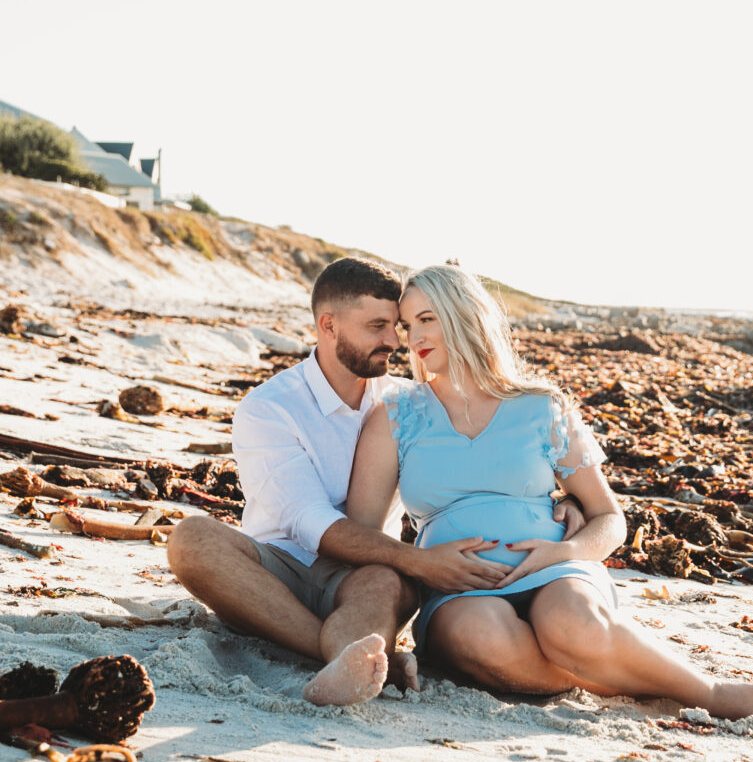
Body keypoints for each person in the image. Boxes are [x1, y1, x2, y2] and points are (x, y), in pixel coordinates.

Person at [341, 264, 753, 722]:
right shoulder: (395, 415)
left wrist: (566, 551)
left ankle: (706, 691)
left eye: (427, 319)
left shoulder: (540, 405)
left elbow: (609, 519)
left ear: (466, 316)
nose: (413, 337)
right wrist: (422, 565)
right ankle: (620, 675)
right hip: (460, 591)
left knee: (576, 628)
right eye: (407, 325)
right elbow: (361, 531)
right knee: (483, 640)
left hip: (554, 570)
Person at [168, 257, 582, 706]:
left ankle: (353, 659)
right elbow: (311, 523)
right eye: (378, 326)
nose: (394, 341)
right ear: (328, 326)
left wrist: (563, 503)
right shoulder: (270, 407)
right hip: (275, 573)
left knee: (383, 584)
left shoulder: (405, 403)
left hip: (370, 577)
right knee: (191, 539)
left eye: (397, 327)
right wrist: (419, 562)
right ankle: (345, 657)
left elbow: (481, 466)